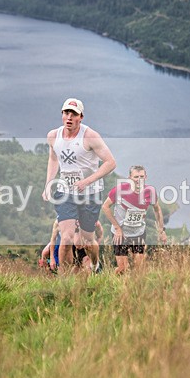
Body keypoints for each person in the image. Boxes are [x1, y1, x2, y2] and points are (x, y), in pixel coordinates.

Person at [43, 97, 116, 272]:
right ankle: (66, 281)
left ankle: (95, 265)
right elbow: (53, 158)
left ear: (81, 117)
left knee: (87, 242)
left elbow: (111, 163)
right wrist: (48, 184)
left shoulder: (90, 136)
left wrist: (87, 181)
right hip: (65, 192)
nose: (69, 117)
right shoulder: (53, 136)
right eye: (66, 113)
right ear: (62, 114)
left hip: (90, 194)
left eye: (73, 114)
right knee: (67, 238)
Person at [101, 165, 167, 275]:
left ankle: (134, 289)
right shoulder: (119, 190)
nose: (139, 180)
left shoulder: (149, 192)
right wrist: (117, 228)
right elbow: (105, 206)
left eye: (142, 176)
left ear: (146, 177)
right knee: (123, 268)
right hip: (121, 234)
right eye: (136, 177)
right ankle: (113, 280)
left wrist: (161, 231)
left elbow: (157, 209)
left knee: (139, 268)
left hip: (138, 233)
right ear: (130, 178)